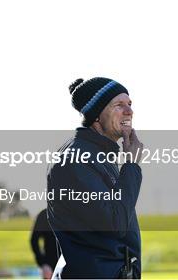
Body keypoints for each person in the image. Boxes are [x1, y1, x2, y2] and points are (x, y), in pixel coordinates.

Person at [47, 77, 143, 278]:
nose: (129, 111)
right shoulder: (76, 159)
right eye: (119, 105)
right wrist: (131, 165)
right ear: (96, 116)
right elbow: (114, 223)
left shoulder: (97, 156)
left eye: (130, 104)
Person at [30, 209, 58, 279]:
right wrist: (43, 263)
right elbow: (34, 240)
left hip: (71, 265)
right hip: (50, 267)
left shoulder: (72, 214)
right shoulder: (44, 215)